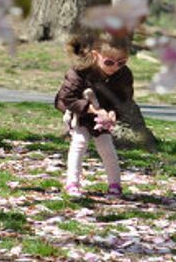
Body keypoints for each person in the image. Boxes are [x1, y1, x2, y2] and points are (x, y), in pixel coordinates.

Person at [54, 31, 133, 198]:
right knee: (79, 142)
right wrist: (93, 109)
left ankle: (115, 184)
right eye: (109, 62)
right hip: (79, 113)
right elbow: (67, 97)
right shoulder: (80, 71)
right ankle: (72, 182)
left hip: (102, 117)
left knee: (107, 148)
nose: (115, 67)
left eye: (122, 62)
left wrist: (113, 113)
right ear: (96, 55)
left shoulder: (123, 74)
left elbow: (124, 99)